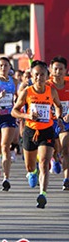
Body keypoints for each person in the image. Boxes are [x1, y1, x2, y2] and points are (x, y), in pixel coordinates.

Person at [11, 61, 62, 208]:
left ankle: (42, 194)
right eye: (36, 75)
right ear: (32, 76)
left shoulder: (51, 91)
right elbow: (14, 111)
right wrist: (27, 116)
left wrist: (58, 117)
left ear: (47, 76)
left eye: (42, 75)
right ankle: (32, 172)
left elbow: (58, 106)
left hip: (47, 130)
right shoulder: (27, 92)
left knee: (44, 163)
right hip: (30, 131)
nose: (39, 77)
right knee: (30, 165)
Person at [0, 57, 19, 191]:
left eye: (6, 65)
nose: (3, 68)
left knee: (5, 146)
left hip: (8, 116)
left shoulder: (14, 81)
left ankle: (6, 178)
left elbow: (18, 97)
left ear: (9, 67)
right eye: (1, 65)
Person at [47, 57, 69, 191]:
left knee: (66, 148)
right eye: (55, 69)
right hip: (50, 121)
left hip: (66, 121)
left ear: (66, 70)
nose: (58, 72)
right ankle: (54, 158)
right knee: (55, 149)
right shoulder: (46, 85)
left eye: (61, 69)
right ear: (51, 70)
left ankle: (66, 179)